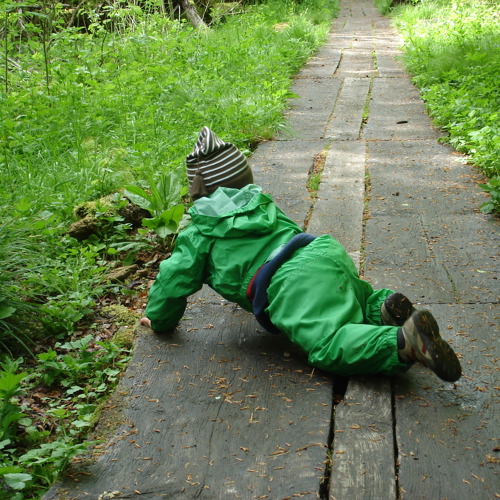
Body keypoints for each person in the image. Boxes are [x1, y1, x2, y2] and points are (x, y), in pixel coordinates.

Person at [140, 127, 462, 383]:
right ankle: (383, 308)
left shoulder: (198, 235)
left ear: (196, 191)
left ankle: (401, 342)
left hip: (290, 283)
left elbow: (172, 280)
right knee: (352, 299)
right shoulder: (262, 202)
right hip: (320, 250)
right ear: (244, 179)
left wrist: (159, 319)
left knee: (328, 342)